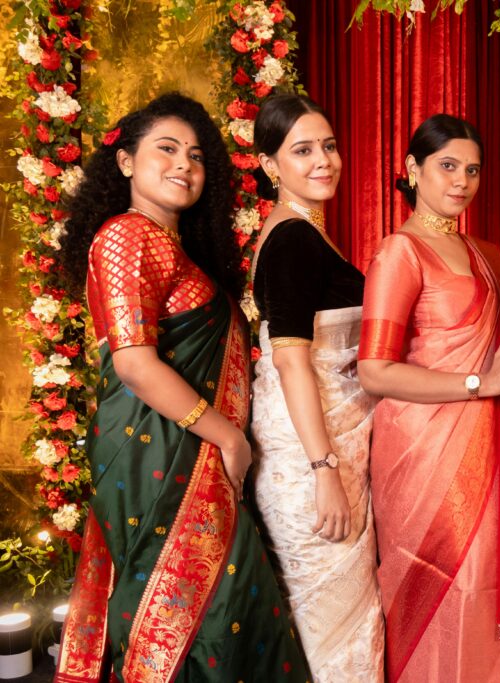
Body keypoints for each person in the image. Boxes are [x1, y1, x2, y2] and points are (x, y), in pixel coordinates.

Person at [53, 93, 310, 682]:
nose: (183, 165)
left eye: (195, 156)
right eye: (165, 150)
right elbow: (135, 365)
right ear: (125, 163)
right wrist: (230, 438)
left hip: (191, 448)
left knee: (226, 607)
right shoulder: (125, 235)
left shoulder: (177, 249)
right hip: (162, 454)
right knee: (190, 607)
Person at [357, 114, 500, 682]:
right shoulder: (400, 253)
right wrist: (478, 384)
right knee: (446, 584)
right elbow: (375, 372)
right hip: (421, 448)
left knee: (491, 580)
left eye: (472, 170)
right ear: (413, 170)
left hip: (489, 442)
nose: (460, 181)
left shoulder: (487, 252)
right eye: (446, 167)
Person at [248, 94, 384, 681]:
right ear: (270, 165)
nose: (323, 160)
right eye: (302, 150)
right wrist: (324, 470)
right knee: (333, 629)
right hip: (312, 454)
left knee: (345, 623)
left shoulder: (304, 231)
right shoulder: (289, 241)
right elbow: (292, 364)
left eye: (327, 145)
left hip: (331, 440)